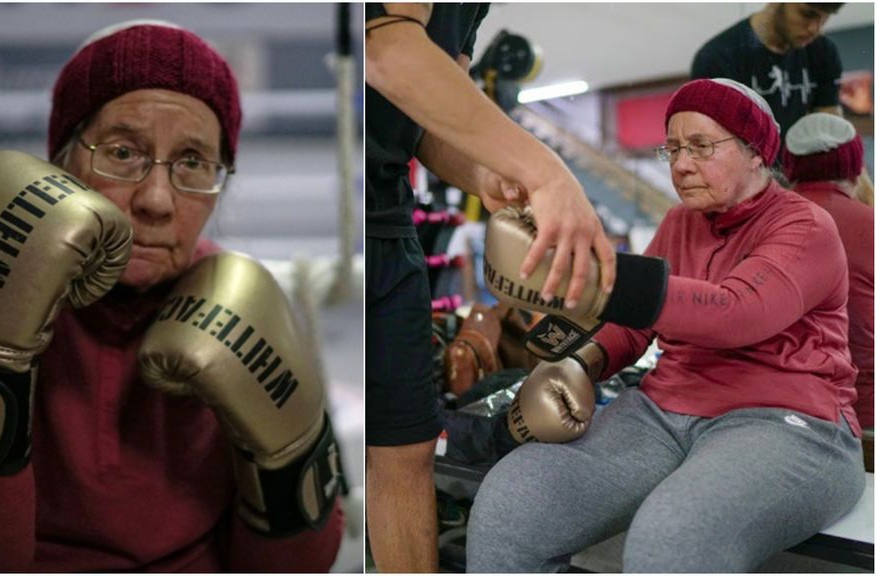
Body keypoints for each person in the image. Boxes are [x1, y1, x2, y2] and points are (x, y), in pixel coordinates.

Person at [0, 20, 343, 572]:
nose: (156, 200)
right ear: (62, 161)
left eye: (193, 163)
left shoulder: (241, 307)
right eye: (123, 152)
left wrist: (286, 455)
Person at [466, 78, 865, 572]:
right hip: (663, 413)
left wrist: (595, 278)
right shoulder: (680, 222)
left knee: (672, 536)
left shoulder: (804, 226)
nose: (680, 164)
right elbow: (636, 326)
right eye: (672, 148)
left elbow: (735, 312)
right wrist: (580, 363)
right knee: (511, 503)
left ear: (756, 152)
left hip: (789, 425)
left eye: (700, 147)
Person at [364, 3, 616, 572]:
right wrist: (544, 171)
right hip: (320, 211)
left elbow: (427, 116)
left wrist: (491, 175)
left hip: (390, 228)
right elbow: (385, 50)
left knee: (407, 449)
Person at [782, 112, 873, 431]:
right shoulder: (869, 222)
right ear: (853, 165)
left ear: (791, 165)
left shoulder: (763, 222)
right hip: (865, 411)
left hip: (782, 411)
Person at [691, 3, 845, 137]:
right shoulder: (717, 59)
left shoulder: (823, 51)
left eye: (825, 18)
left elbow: (830, 128)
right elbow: (714, 145)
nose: (815, 29)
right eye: (807, 14)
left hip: (805, 167)